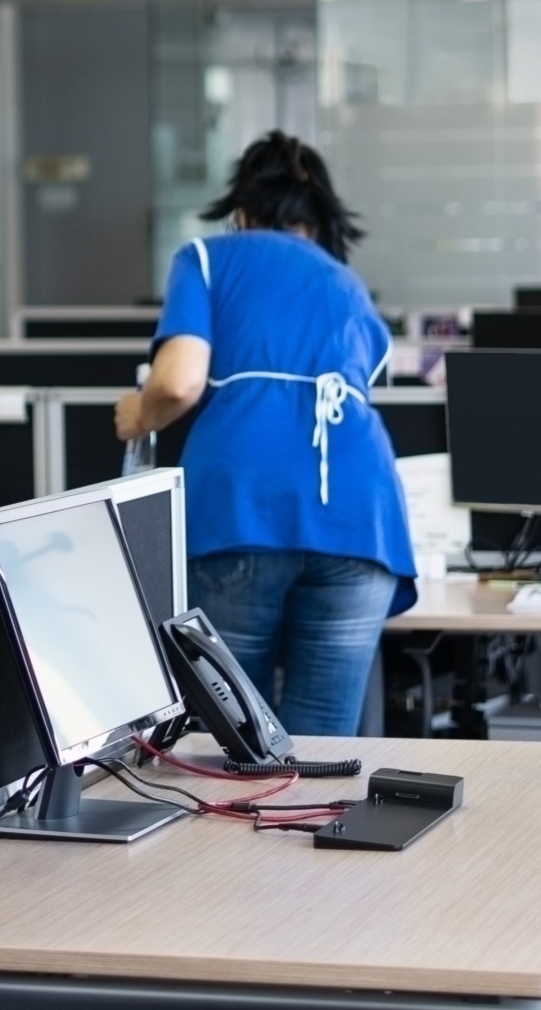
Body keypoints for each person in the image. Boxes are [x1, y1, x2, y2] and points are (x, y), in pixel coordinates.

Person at [113, 130, 416, 738]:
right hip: (363, 522)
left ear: (241, 211)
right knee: (320, 747)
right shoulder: (347, 287)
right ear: (320, 219)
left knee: (233, 744)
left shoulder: (207, 259)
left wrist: (138, 415)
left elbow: (177, 383)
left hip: (244, 509)